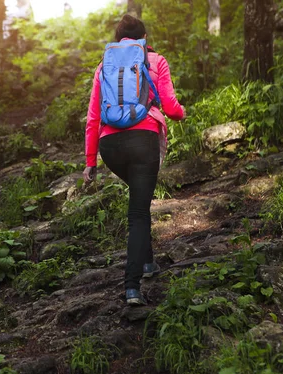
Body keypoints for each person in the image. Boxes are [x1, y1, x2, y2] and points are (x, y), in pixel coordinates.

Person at [82, 14, 185, 306]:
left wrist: (91, 161)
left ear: (118, 39)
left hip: (109, 146)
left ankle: (149, 262)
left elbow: (92, 118)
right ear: (144, 38)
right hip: (144, 141)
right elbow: (170, 105)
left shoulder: (105, 65)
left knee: (140, 201)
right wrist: (182, 114)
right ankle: (132, 287)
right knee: (138, 211)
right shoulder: (156, 60)